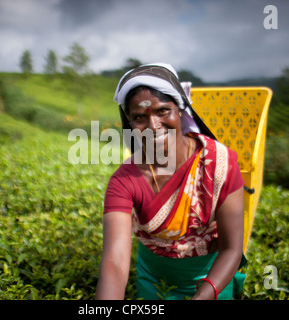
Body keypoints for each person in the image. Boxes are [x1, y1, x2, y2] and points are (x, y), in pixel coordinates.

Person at [95, 63, 246, 300]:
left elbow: (232, 249)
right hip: (155, 280)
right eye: (139, 117)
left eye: (162, 111)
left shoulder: (220, 164)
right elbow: (114, 265)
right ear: (130, 123)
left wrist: (203, 296)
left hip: (213, 279)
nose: (153, 126)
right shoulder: (124, 181)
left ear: (180, 110)